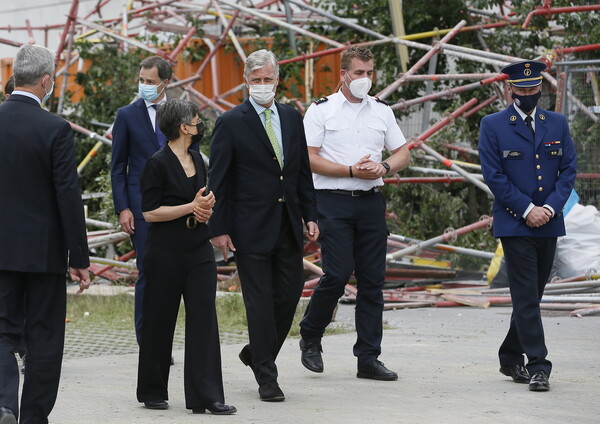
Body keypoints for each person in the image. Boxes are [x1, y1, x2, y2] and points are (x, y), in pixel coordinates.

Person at [208, 49, 319, 402]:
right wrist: (218, 228)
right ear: (246, 82)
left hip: (288, 225)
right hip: (248, 228)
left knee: (287, 297)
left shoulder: (290, 116)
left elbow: (301, 172)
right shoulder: (231, 122)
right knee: (258, 304)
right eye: (255, 80)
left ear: (277, 80)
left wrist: (311, 215)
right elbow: (219, 179)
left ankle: (256, 353)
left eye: (267, 79)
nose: (261, 85)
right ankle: (267, 378)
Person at [299, 46, 410, 381]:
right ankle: (311, 334)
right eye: (359, 73)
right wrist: (350, 170)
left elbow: (403, 152)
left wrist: (384, 166)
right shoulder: (322, 110)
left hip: (370, 200)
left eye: (370, 73)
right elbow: (309, 158)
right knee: (337, 273)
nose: (365, 79)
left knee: (373, 280)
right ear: (343, 74)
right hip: (332, 201)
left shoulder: (380, 110)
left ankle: (368, 357)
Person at [0, 44, 90, 424]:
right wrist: (80, 259)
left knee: (1, 330)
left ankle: (4, 402)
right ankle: (34, 417)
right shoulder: (55, 129)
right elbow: (68, 196)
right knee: (45, 337)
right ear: (46, 80)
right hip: (45, 253)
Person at [478, 60, 577, 392]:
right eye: (521, 89)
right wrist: (526, 209)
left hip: (549, 220)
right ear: (510, 90)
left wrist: (548, 207)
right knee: (524, 294)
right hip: (514, 222)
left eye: (533, 89)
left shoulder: (557, 123)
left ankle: (509, 356)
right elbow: (494, 176)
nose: (528, 94)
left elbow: (568, 171)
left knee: (533, 294)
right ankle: (538, 365)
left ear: (541, 88)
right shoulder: (493, 125)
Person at [136, 99, 236, 414]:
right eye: (195, 119)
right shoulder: (157, 163)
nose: (199, 124)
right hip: (165, 249)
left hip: (198, 247)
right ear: (183, 127)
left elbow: (199, 200)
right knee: (159, 319)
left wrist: (204, 207)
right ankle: (152, 390)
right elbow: (150, 212)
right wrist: (191, 207)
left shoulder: (197, 159)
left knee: (204, 319)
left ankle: (207, 396)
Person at [110, 56, 172, 346]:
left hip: (176, 206)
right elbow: (117, 165)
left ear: (166, 82)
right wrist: (123, 207)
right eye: (141, 80)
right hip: (141, 207)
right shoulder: (127, 115)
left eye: (150, 81)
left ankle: (165, 337)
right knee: (148, 269)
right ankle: (148, 341)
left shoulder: (180, 112)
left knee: (170, 273)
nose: (144, 86)